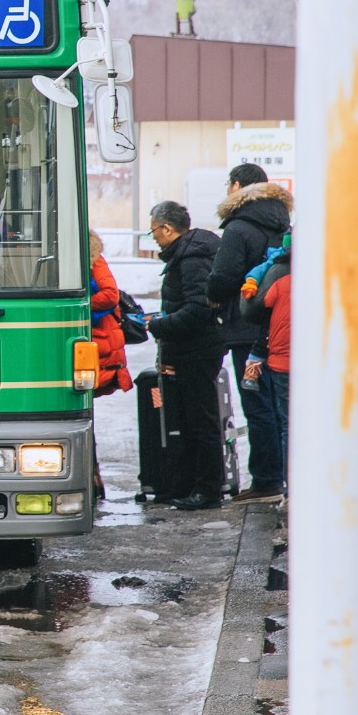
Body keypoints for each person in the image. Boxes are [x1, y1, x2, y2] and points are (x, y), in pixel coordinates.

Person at [205, 163, 292, 498]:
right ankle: (281, 477)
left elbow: (223, 276)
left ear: (238, 185)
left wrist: (212, 297)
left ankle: (266, 479)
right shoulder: (283, 222)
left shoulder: (239, 227)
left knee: (256, 402)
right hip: (278, 328)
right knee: (277, 404)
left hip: (246, 329)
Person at [147, 200, 226, 509]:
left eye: (154, 229)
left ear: (167, 228)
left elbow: (197, 309)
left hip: (197, 350)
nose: (153, 236)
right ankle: (193, 485)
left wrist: (159, 325)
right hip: (191, 349)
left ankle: (208, 490)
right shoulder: (188, 253)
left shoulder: (192, 258)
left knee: (202, 421)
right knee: (194, 420)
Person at [240, 233, 292, 499]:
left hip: (282, 359)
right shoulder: (328, 272)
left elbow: (255, 310)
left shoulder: (278, 272)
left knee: (287, 424)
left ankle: (290, 490)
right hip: (316, 361)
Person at [89, 231, 132, 396]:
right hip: (99, 335)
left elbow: (110, 295)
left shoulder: (95, 261)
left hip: (102, 334)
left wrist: (82, 304)